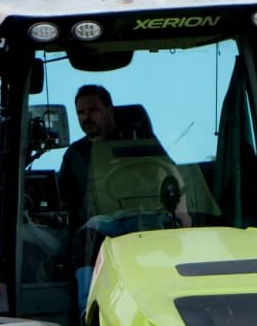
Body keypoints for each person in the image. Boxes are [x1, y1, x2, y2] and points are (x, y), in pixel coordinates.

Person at [57, 85, 187, 304]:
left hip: (146, 215)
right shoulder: (74, 154)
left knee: (153, 233)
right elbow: (63, 199)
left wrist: (183, 212)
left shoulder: (139, 141)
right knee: (83, 240)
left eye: (93, 110)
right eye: (81, 113)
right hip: (102, 222)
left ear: (110, 109)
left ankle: (164, 302)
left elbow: (171, 174)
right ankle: (89, 308)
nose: (87, 118)